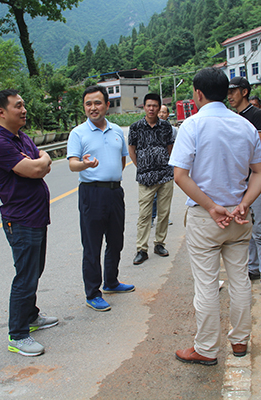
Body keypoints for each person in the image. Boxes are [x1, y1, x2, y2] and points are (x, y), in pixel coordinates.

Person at [169, 68, 261, 365]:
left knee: (207, 285)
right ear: (226, 92)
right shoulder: (246, 126)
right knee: (239, 280)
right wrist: (244, 203)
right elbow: (260, 172)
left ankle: (206, 348)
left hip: (206, 218)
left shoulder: (192, 125)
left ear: (198, 94)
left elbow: (181, 175)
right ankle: (239, 341)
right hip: (238, 218)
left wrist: (212, 207)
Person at [0, 89, 57, 357]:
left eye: (24, 105)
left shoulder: (20, 137)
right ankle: (17, 334)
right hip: (21, 219)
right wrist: (43, 160)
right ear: (2, 112)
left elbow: (40, 158)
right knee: (25, 276)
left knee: (34, 270)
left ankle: (31, 316)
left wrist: (41, 159)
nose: (24, 109)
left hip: (35, 216)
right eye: (18, 106)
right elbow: (39, 167)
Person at [67, 85, 135, 312]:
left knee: (116, 240)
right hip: (91, 193)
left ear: (107, 105)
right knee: (92, 244)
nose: (93, 108)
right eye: (88, 104)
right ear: (84, 107)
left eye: (97, 103)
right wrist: (85, 165)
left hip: (115, 192)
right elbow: (72, 164)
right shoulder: (78, 133)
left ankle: (112, 281)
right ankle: (93, 293)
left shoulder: (117, 131)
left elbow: (122, 160)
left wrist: (111, 178)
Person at [227, 77, 261, 298]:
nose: (230, 95)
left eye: (234, 91)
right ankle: (254, 269)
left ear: (245, 92)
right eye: (228, 91)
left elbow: (257, 147)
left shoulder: (257, 116)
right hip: (240, 182)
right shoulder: (234, 118)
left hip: (255, 180)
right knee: (247, 228)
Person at [129, 94, 175, 265]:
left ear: (159, 107)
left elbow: (170, 148)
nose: (151, 109)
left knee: (164, 213)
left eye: (155, 106)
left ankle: (159, 244)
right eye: (148, 105)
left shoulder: (166, 127)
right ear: (144, 107)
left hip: (165, 176)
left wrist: (166, 165)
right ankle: (141, 249)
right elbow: (132, 149)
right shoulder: (136, 127)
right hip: (145, 177)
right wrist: (140, 166)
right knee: (144, 215)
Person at [151, 104, 177, 227]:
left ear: (168, 115)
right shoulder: (151, 127)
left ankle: (165, 218)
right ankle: (151, 217)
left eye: (164, 112)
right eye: (159, 112)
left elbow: (175, 147)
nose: (161, 114)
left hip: (168, 165)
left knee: (165, 194)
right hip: (154, 166)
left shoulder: (173, 130)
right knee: (154, 194)